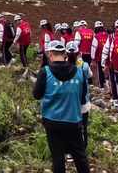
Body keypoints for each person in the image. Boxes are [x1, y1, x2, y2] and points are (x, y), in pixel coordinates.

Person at [33, 40, 90, 173]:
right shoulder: (79, 71)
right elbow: (83, 97)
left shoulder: (45, 72)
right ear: (65, 54)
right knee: (80, 156)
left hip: (52, 122)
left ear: (50, 54)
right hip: (74, 121)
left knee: (57, 158)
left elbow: (37, 95)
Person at [66, 41, 92, 150]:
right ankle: (82, 149)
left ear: (65, 54)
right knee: (83, 127)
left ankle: (69, 150)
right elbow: (90, 75)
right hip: (83, 101)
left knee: (69, 127)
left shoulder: (64, 66)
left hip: (69, 102)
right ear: (79, 54)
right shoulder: (84, 66)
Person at [102, 19, 118, 107]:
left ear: (115, 27)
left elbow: (106, 49)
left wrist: (104, 62)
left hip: (114, 62)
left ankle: (115, 98)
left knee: (113, 80)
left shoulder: (111, 36)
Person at [91, 21, 108, 90]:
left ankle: (101, 85)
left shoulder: (96, 36)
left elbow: (94, 47)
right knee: (107, 70)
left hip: (99, 56)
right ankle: (107, 84)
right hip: (107, 56)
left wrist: (93, 57)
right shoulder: (107, 35)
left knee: (100, 71)